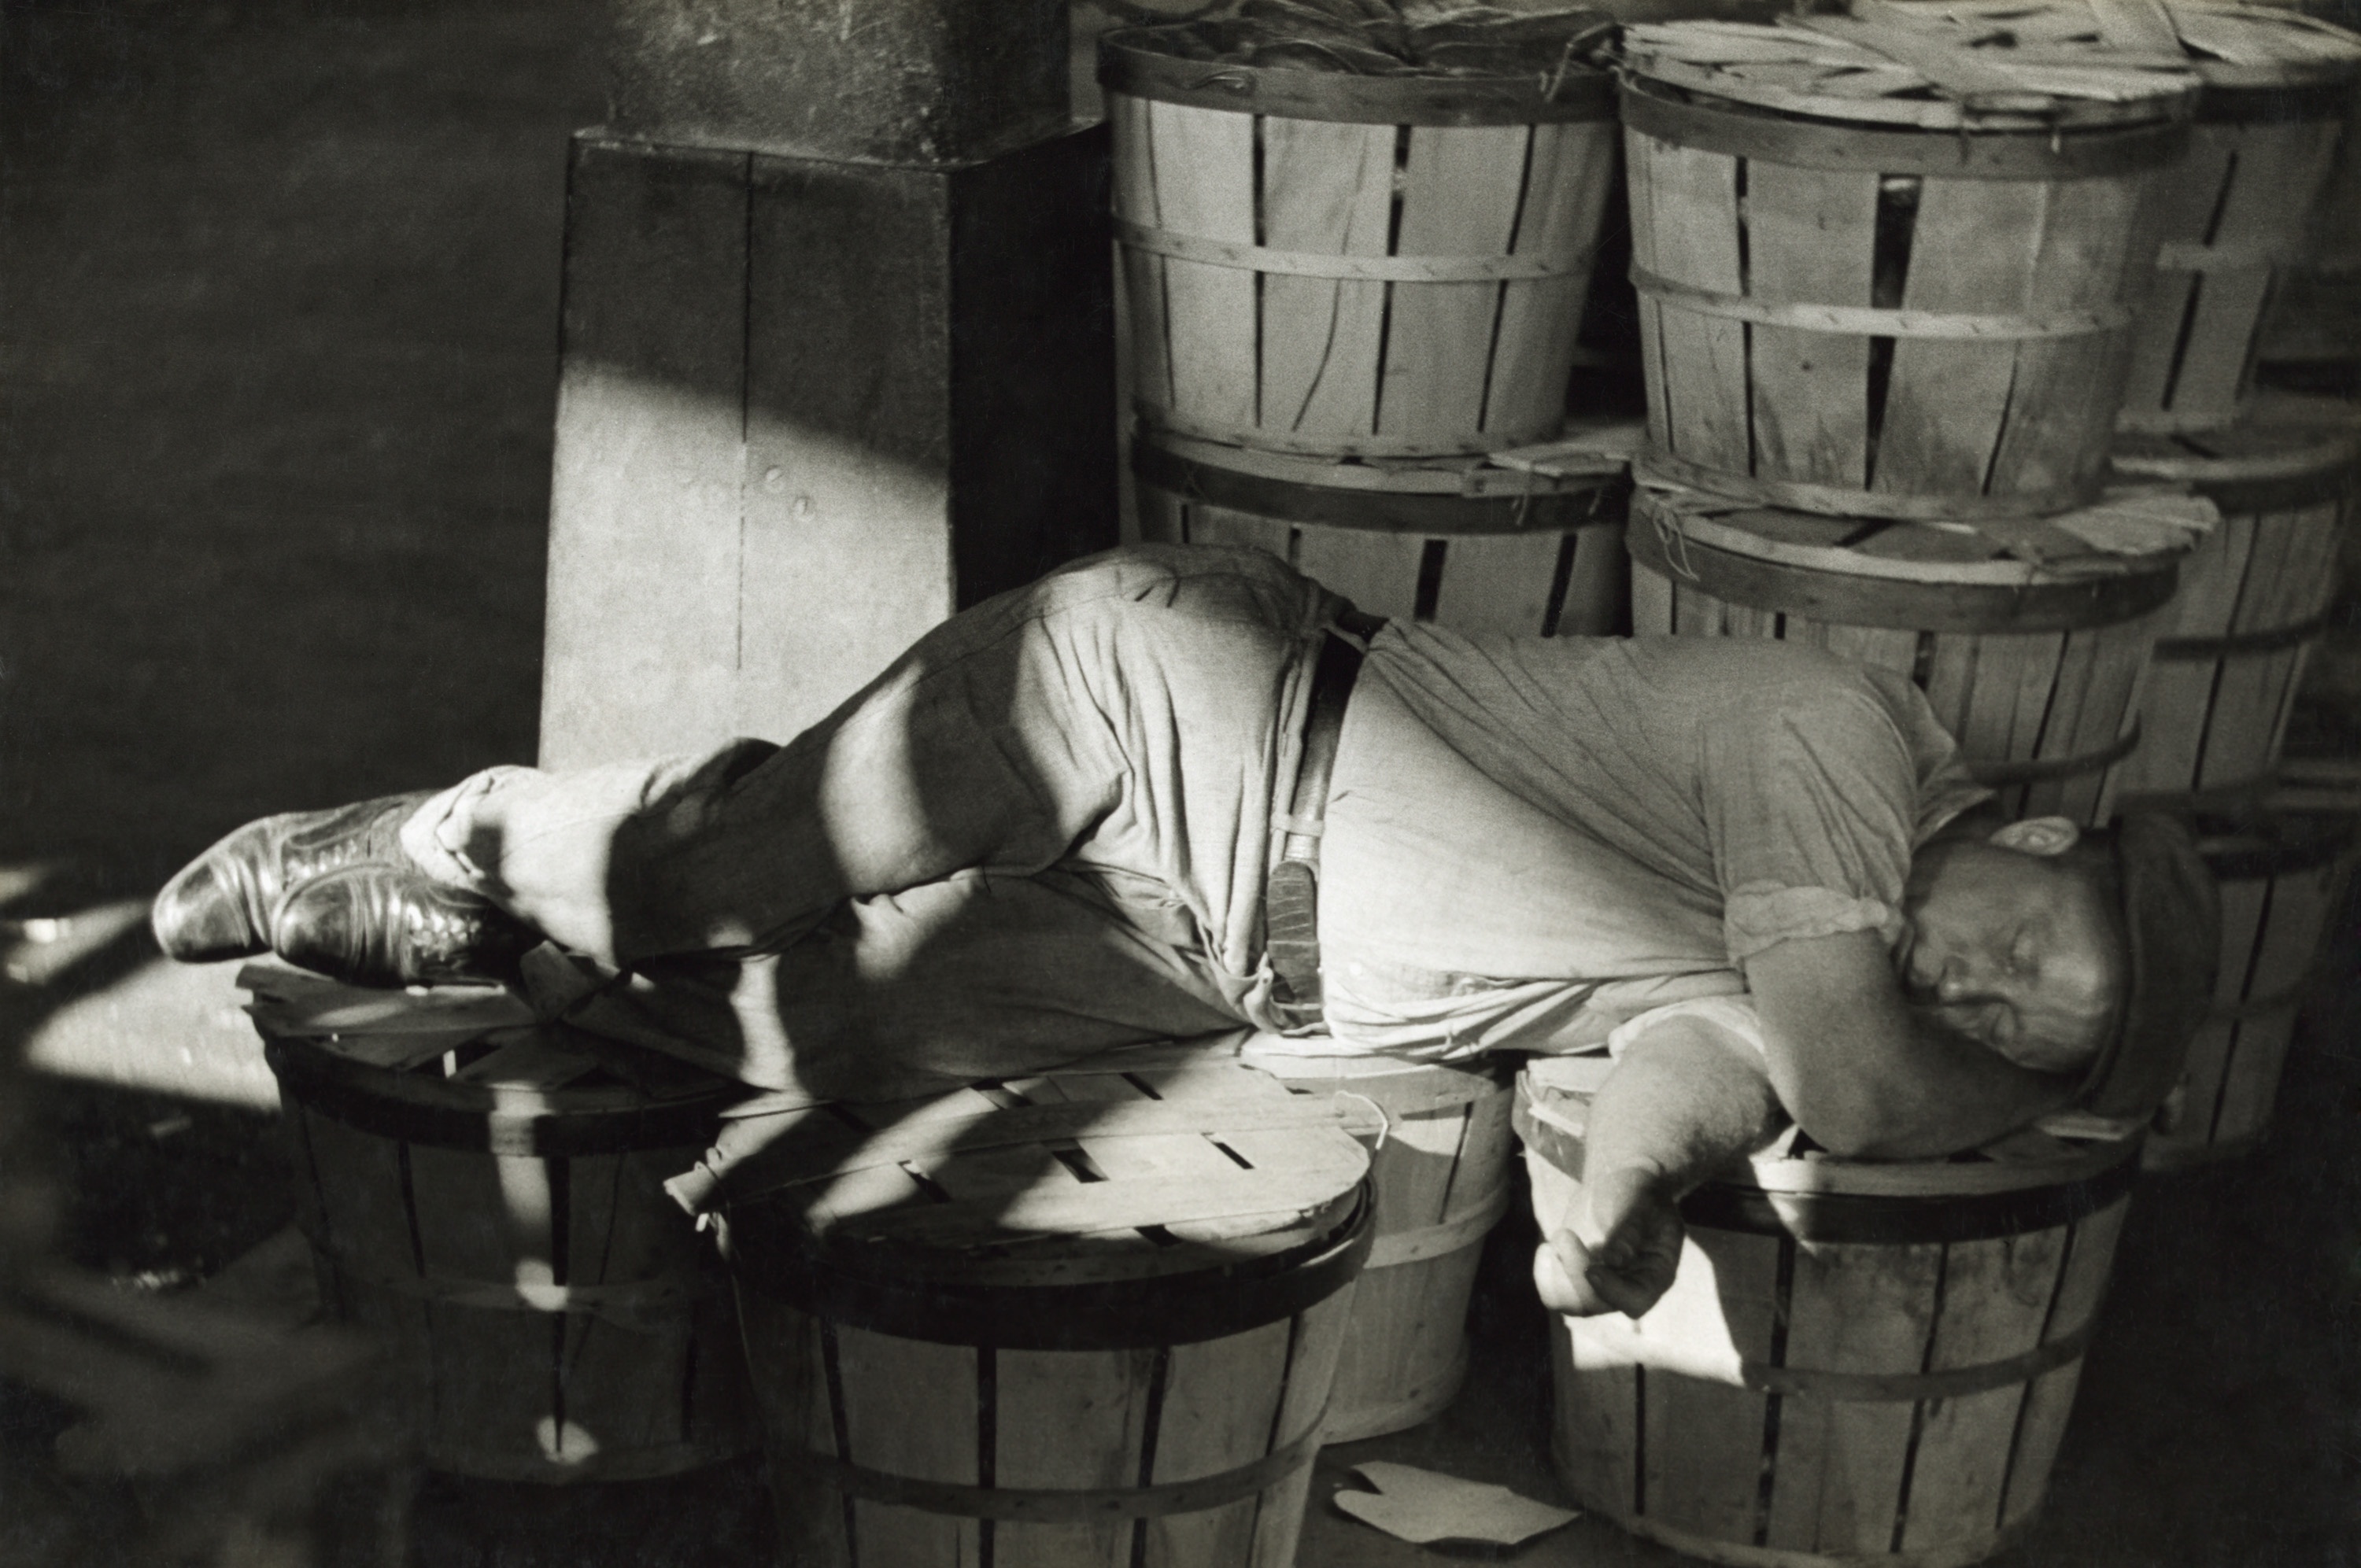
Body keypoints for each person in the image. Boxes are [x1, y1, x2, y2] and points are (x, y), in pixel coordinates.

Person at [151, 543, 2218, 1318]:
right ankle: (473, 834)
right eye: (2050, 953)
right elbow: (1857, 1080)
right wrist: (2003, 1106)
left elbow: (1718, 1079)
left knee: (813, 1042)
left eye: (2032, 1032)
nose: (1992, 992)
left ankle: (542, 910)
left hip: (1211, 962)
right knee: (696, 891)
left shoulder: (1805, 965)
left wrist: (1622, 1226)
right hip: (1166, 700)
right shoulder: (1843, 741)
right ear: (2043, 824)